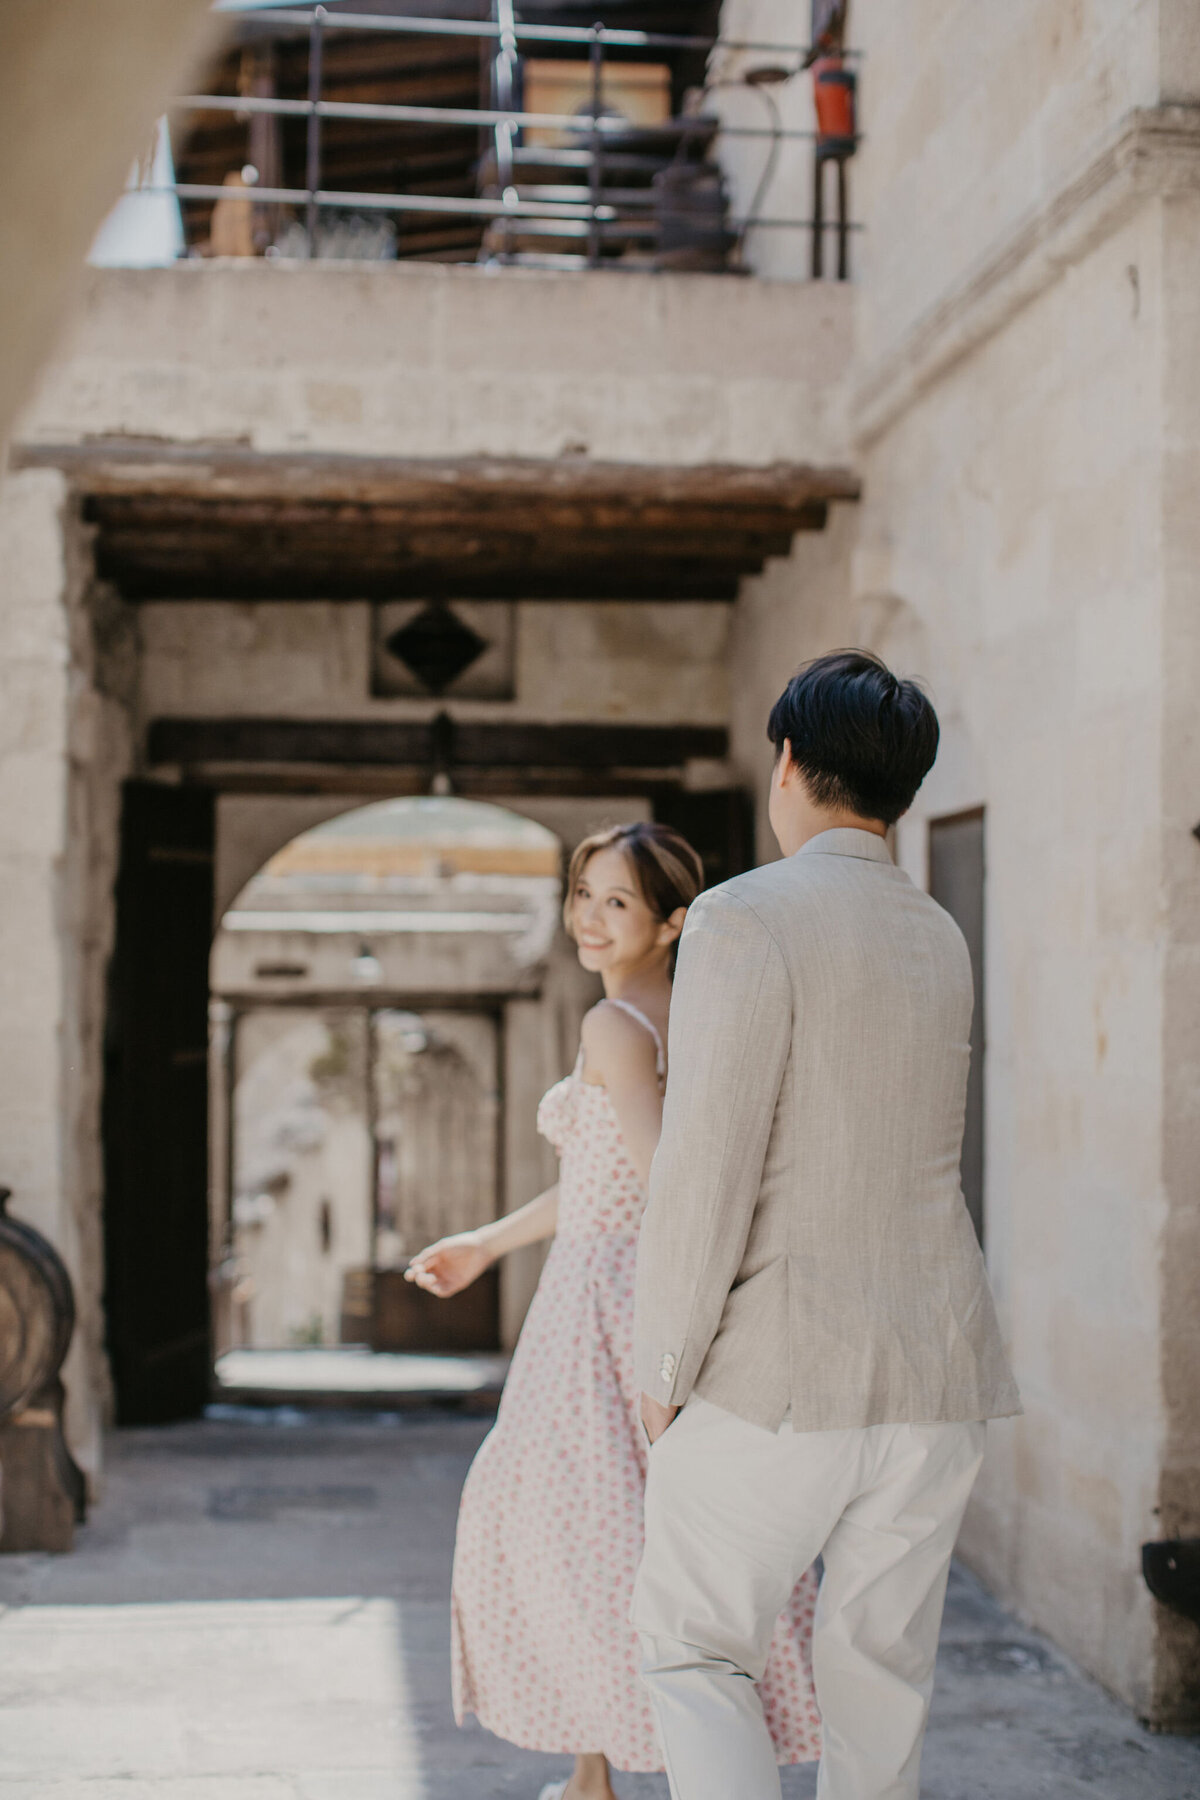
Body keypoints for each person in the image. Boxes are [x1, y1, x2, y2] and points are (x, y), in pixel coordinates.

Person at [633, 651, 1022, 1800]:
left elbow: (708, 1165)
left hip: (780, 1373)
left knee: (697, 1652)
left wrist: (664, 1361)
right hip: (937, 1366)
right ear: (901, 789)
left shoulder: (744, 917)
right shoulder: (937, 931)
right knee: (879, 1678)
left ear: (789, 762)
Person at [406, 822, 822, 1800]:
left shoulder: (613, 1027)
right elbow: (605, 1179)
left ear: (672, 921)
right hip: (638, 1285)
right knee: (629, 1531)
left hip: (609, 1304)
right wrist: (487, 1244)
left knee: (573, 1534)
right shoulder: (685, 1013)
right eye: (584, 894)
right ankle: (599, 1772)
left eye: (619, 903)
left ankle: (639, 1768)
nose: (590, 918)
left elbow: (664, 1181)